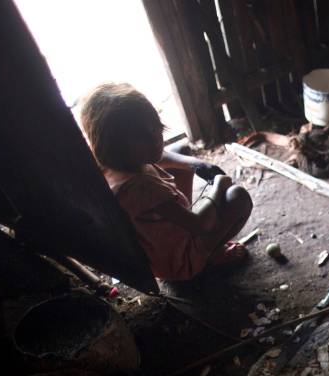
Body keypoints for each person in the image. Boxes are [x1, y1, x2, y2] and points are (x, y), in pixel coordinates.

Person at [79, 83, 252, 281]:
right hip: (178, 263)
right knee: (238, 198)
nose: (155, 140)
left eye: (154, 128)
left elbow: (161, 156)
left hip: (160, 248)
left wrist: (197, 164)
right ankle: (208, 258)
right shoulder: (141, 188)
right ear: (115, 146)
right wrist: (218, 186)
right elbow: (199, 224)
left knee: (181, 153)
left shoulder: (114, 164)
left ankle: (194, 235)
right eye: (140, 137)